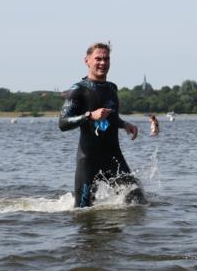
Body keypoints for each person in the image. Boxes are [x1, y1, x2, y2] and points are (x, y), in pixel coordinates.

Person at [59, 42, 143, 208]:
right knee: (83, 211)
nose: (103, 63)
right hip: (89, 161)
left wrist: (124, 124)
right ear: (87, 61)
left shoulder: (112, 88)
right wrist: (90, 116)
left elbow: (110, 118)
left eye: (106, 59)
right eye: (98, 59)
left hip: (113, 158)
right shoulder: (78, 90)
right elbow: (62, 123)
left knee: (138, 202)